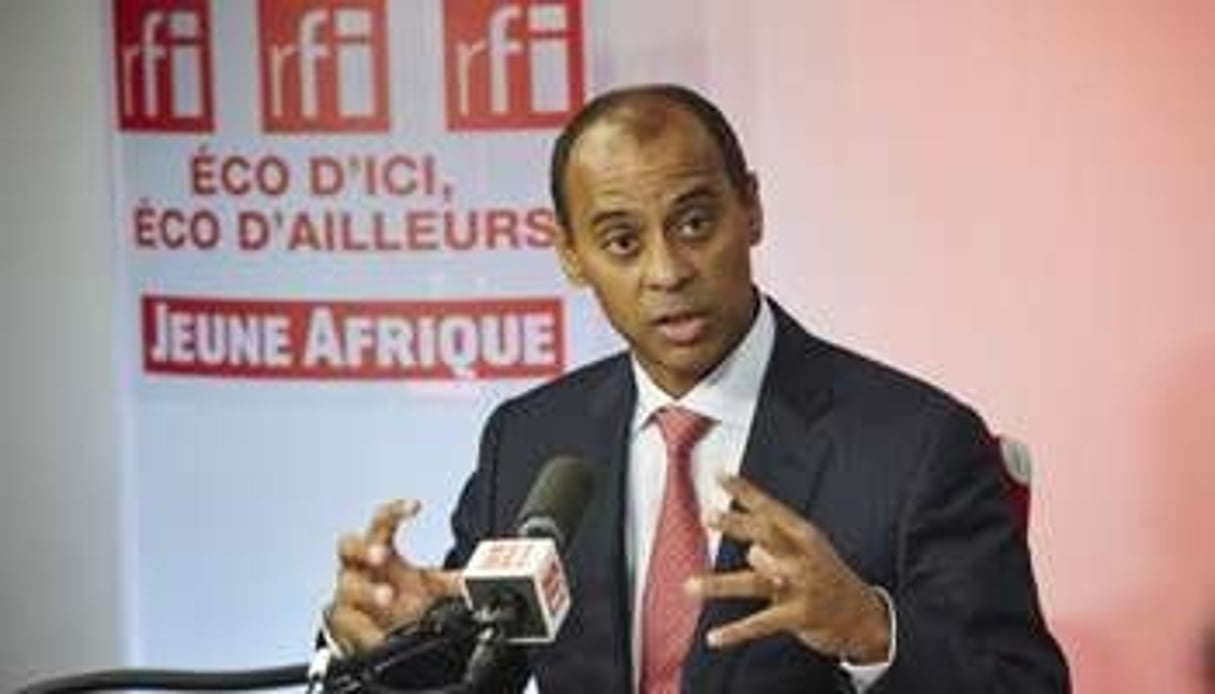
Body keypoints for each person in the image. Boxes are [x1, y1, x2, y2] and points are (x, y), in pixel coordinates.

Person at [324, 84, 1071, 692]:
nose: (667, 271)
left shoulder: (913, 443)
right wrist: (398, 641)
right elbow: (478, 671)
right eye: (621, 240)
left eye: (694, 222)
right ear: (570, 255)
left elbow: (1022, 685)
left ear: (750, 208)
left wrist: (869, 629)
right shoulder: (530, 439)